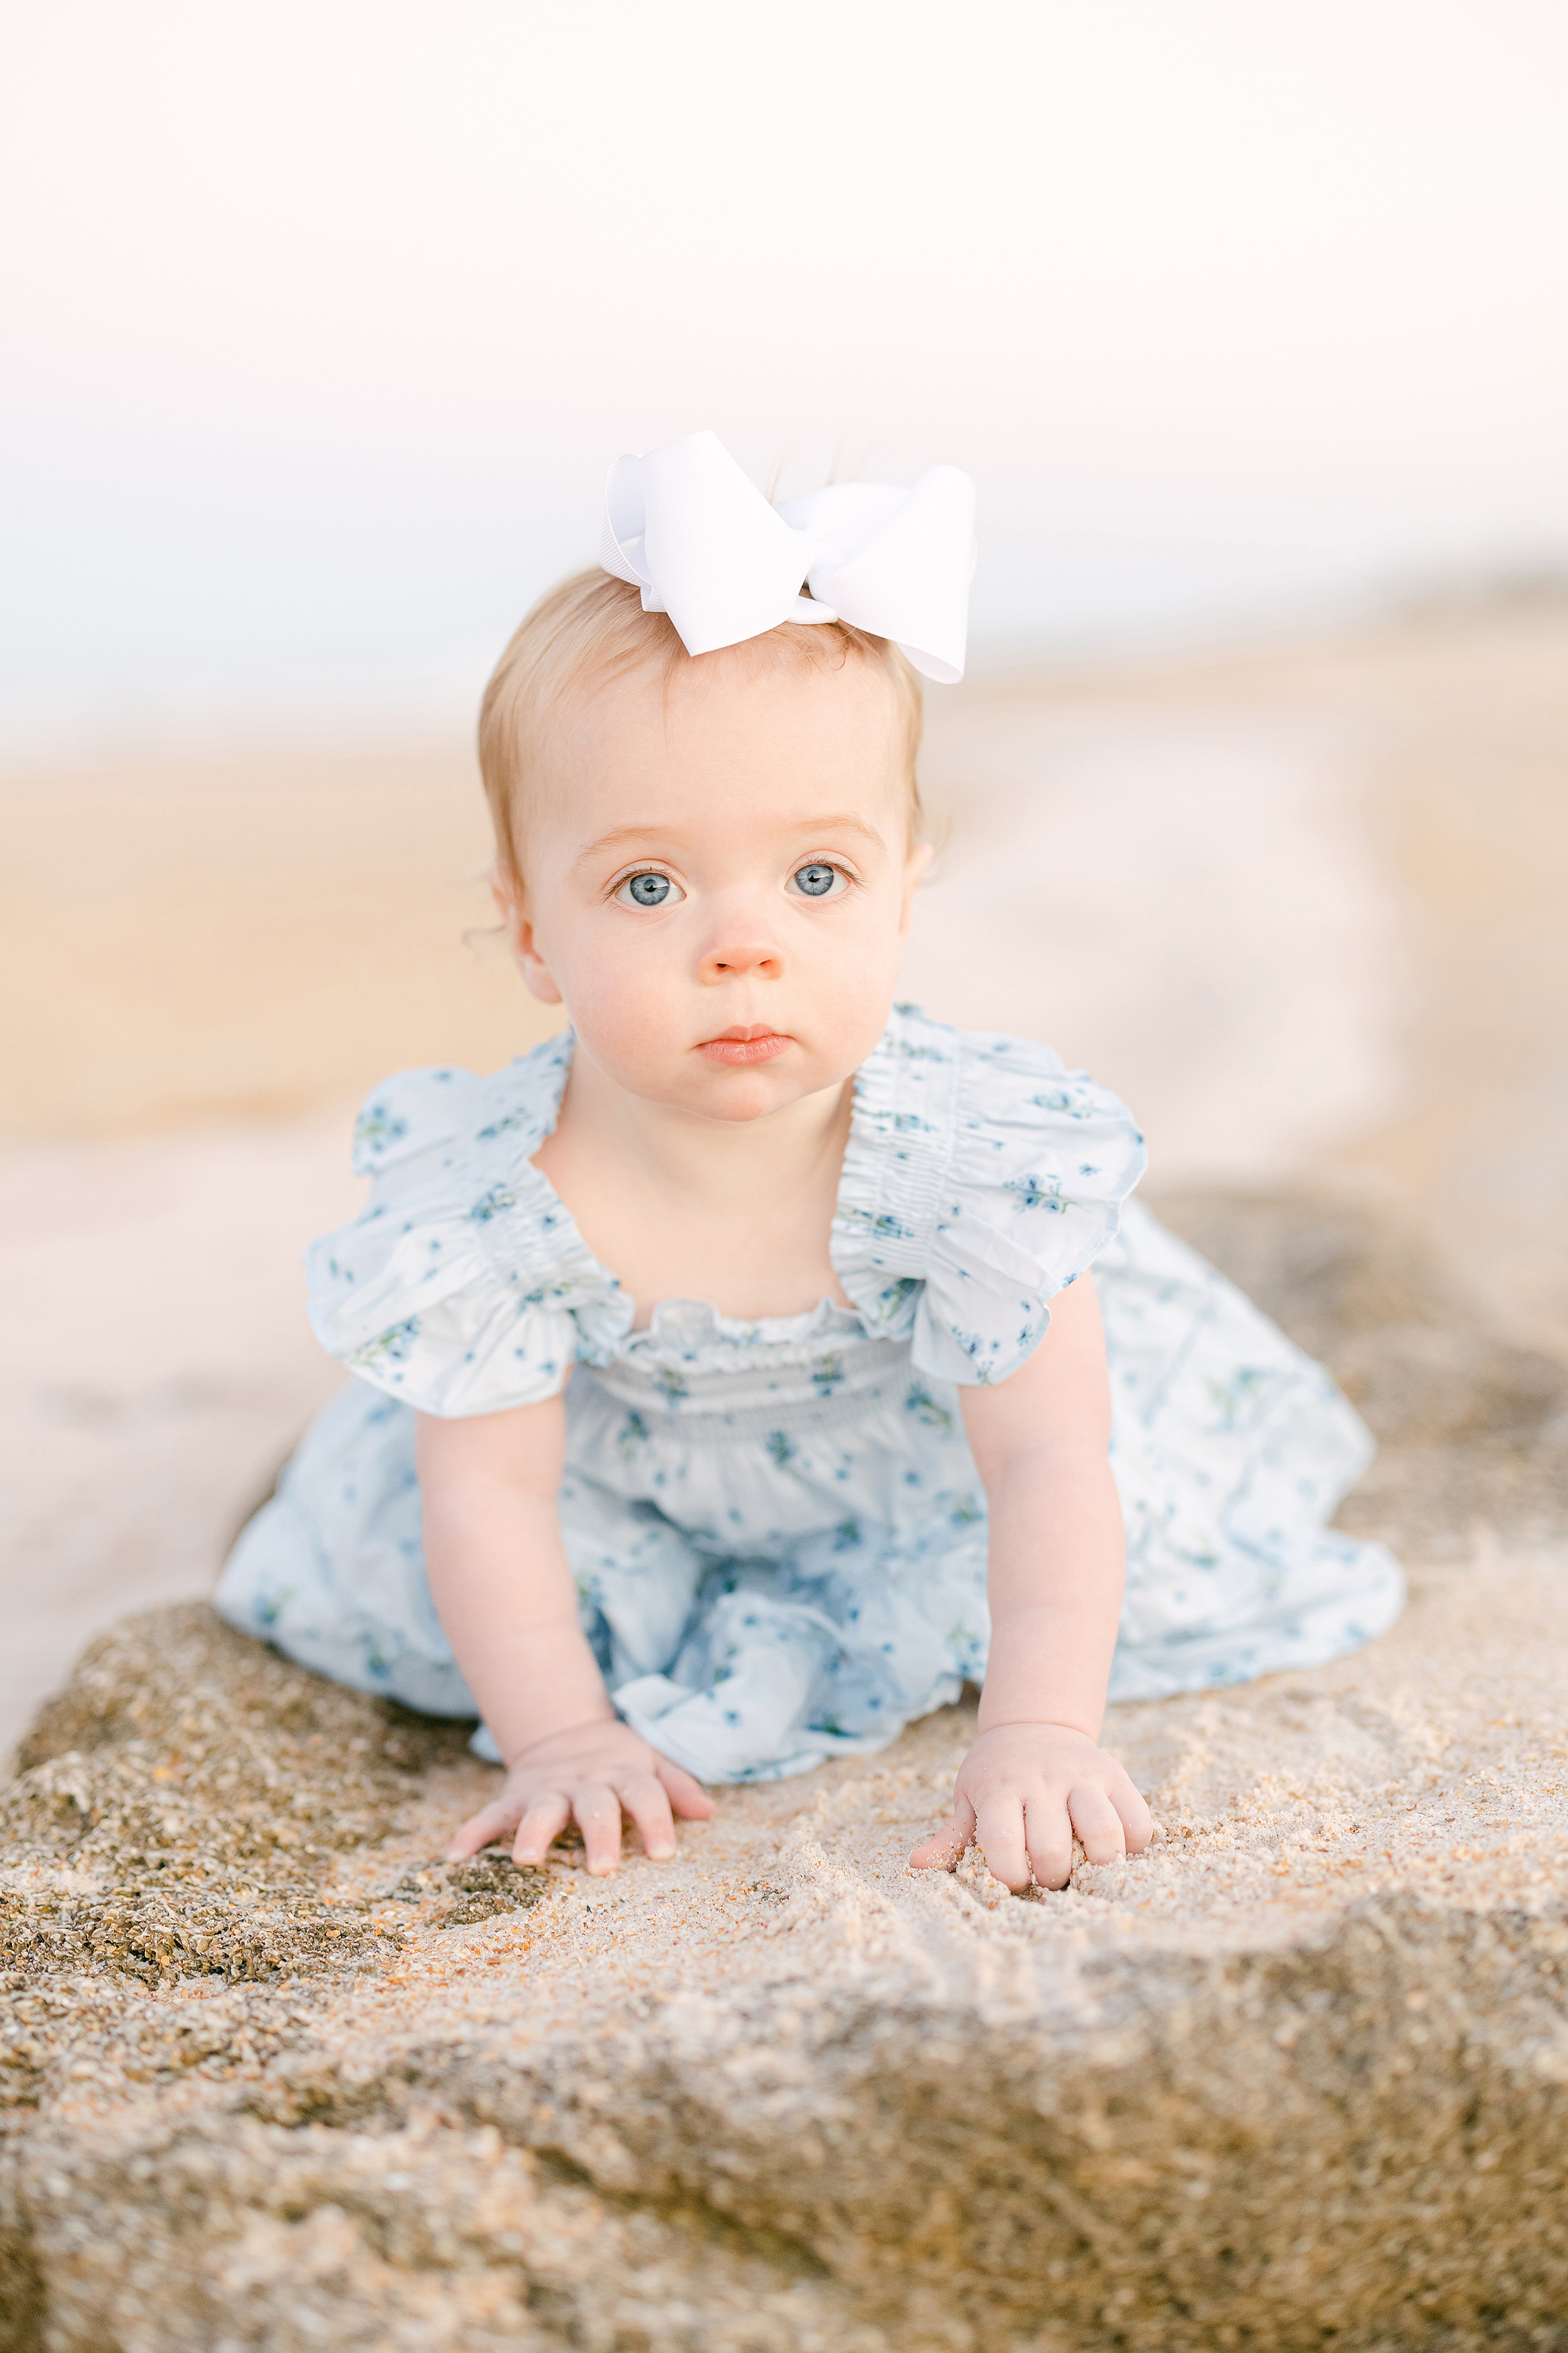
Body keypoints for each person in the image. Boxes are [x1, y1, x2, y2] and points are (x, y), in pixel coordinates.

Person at [217, 432, 1403, 1894]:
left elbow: (1042, 1457)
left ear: (906, 895)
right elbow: (493, 1497)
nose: (742, 941)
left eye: (818, 876)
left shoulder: (969, 1166)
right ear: (530, 930)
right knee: (421, 1564)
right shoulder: (504, 1202)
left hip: (934, 1483)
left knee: (1126, 1512)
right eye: (647, 884)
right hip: (632, 1506)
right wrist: (563, 1735)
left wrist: (1040, 1728)